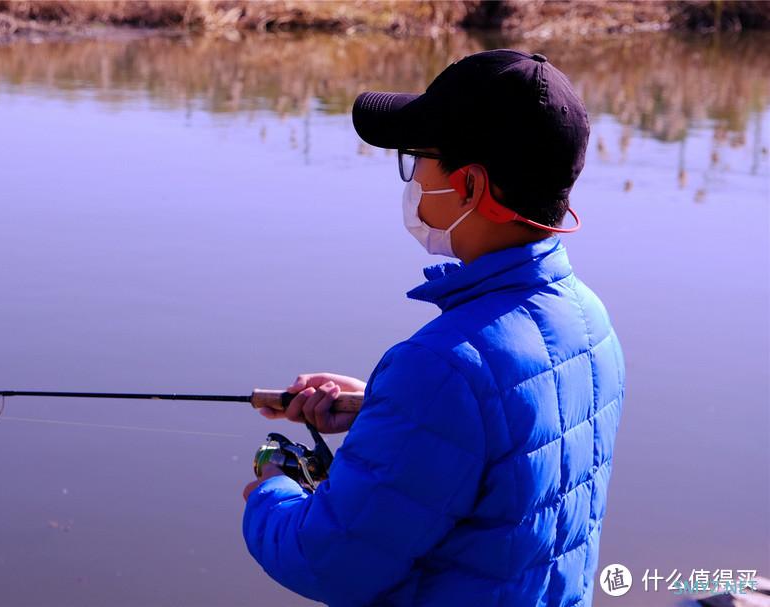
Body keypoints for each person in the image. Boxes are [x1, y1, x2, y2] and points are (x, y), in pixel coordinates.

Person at [241, 49, 626, 607]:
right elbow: (516, 450)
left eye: (418, 156)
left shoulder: (442, 369)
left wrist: (271, 491)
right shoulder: (589, 319)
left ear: (469, 186)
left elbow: (327, 561)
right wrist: (383, 409)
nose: (412, 175)